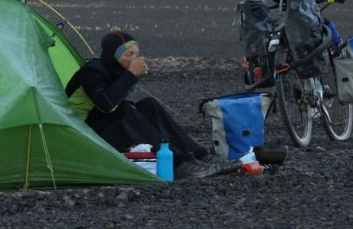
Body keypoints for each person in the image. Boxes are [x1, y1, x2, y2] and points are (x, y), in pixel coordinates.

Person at [65, 31, 239, 179]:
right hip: (81, 133)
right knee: (125, 110)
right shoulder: (92, 72)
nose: (134, 59)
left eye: (136, 54)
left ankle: (200, 156)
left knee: (148, 105)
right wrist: (131, 75)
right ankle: (178, 164)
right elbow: (107, 105)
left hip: (100, 123)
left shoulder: (115, 71)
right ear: (113, 56)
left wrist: (129, 76)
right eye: (128, 55)